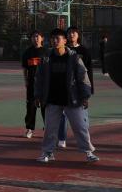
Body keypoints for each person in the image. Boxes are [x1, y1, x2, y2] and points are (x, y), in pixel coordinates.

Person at [35, 27, 98, 163]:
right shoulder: (45, 58)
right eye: (52, 38)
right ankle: (48, 153)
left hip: (72, 99)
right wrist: (38, 95)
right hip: (52, 99)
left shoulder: (74, 57)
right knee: (50, 129)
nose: (54, 41)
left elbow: (83, 77)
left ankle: (88, 152)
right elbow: (39, 78)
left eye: (57, 38)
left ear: (65, 41)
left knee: (80, 127)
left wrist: (85, 96)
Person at [21, 31, 47, 138]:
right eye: (33, 37)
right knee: (31, 107)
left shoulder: (46, 52)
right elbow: (25, 69)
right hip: (32, 83)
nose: (35, 38)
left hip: (44, 84)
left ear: (42, 38)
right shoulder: (27, 52)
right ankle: (30, 129)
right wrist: (26, 81)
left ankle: (47, 128)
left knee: (45, 106)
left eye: (37, 36)